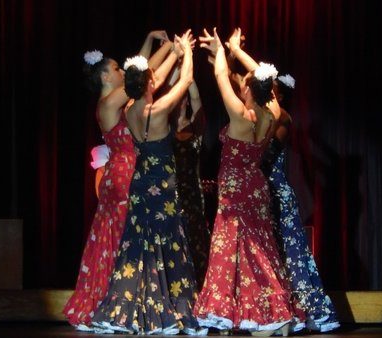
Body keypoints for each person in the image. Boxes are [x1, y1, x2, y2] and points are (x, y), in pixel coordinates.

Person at [91, 30, 206, 335]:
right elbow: (184, 82)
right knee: (168, 245)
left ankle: (125, 309)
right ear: (149, 85)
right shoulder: (157, 111)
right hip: (163, 189)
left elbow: (143, 79)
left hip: (140, 185)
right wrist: (185, 54)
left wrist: (171, 52)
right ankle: (174, 310)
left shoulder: (129, 112)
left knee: (138, 247)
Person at [63, 30, 180, 331]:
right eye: (115, 69)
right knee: (121, 240)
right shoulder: (110, 102)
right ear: (104, 77)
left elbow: (137, 72)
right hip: (123, 174)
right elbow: (138, 75)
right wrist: (168, 51)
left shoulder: (115, 100)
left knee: (114, 239)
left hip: (122, 173)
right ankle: (111, 305)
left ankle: (118, 303)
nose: (121, 72)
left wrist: (163, 47)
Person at [193, 28, 296, 336]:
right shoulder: (273, 112)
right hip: (256, 188)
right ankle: (274, 314)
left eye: (246, 83)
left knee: (232, 252)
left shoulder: (240, 115)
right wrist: (236, 51)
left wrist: (222, 54)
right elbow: (261, 77)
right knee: (261, 250)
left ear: (250, 89)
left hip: (236, 194)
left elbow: (223, 78)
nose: (241, 83)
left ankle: (256, 318)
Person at [260, 74, 340, 333]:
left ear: (280, 96)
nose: (268, 94)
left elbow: (264, 148)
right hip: (262, 194)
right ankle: (283, 311)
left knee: (293, 255)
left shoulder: (282, 116)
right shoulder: (263, 115)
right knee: (273, 256)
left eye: (272, 91)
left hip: (279, 195)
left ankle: (310, 310)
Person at [171, 80, 210, 290]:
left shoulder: (195, 128)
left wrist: (188, 77)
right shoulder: (163, 128)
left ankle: (198, 289)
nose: (182, 100)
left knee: (194, 238)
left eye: (183, 96)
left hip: (192, 194)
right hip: (169, 193)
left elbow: (197, 100)